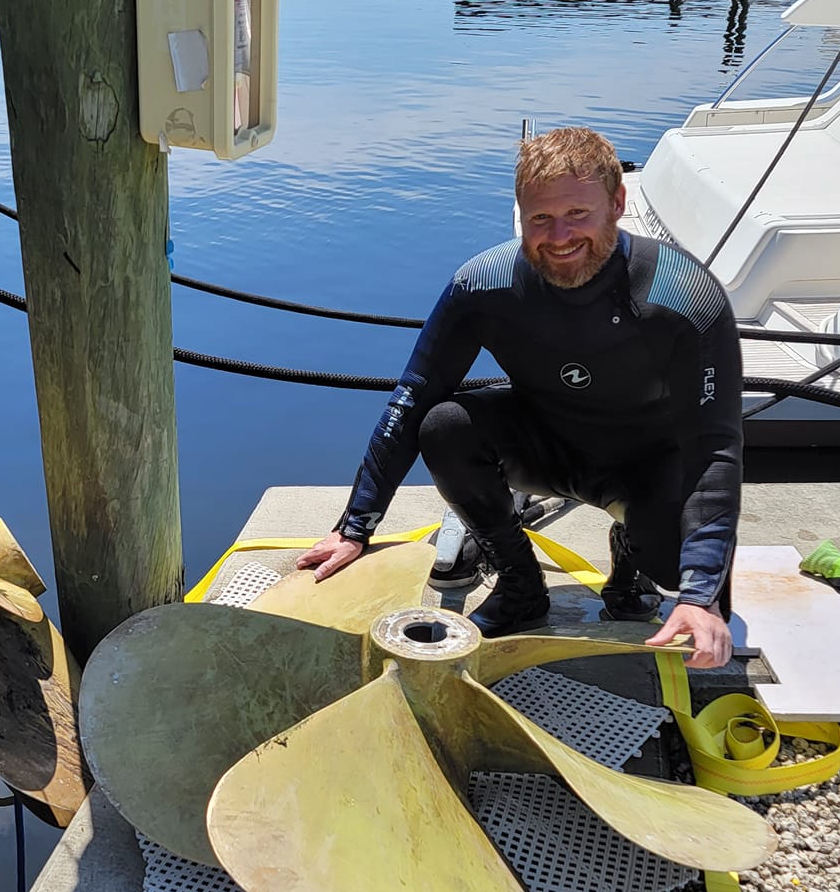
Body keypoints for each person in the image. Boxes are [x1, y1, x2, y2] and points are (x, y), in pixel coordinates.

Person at [296, 127, 742, 669]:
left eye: (578, 213)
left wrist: (700, 597)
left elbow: (714, 447)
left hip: (646, 464)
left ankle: (633, 557)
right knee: (444, 424)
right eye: (540, 218)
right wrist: (354, 527)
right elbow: (411, 398)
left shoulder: (684, 295)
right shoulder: (484, 283)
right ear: (521, 214)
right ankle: (520, 585)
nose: (559, 236)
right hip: (547, 444)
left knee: (694, 579)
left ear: (618, 203)